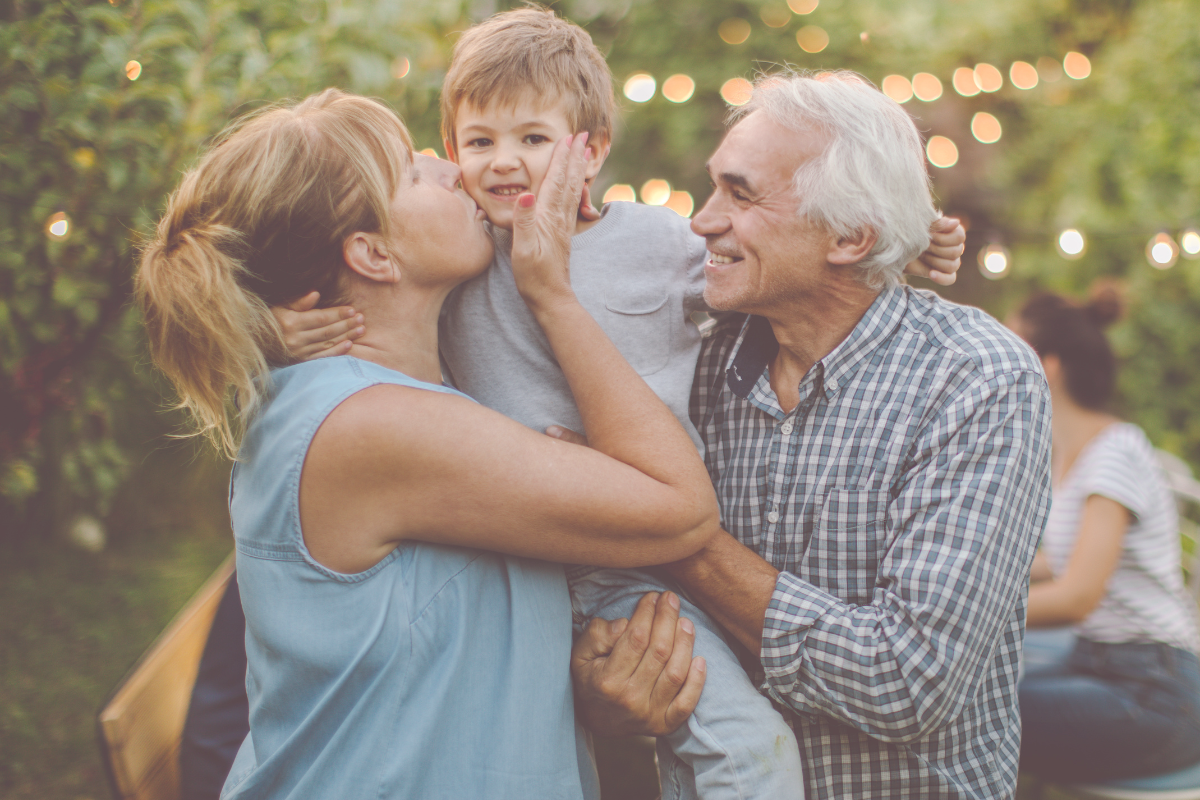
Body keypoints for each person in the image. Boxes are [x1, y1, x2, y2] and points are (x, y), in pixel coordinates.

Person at [271, 9, 966, 800]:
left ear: (591, 149)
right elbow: (343, 288)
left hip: (633, 567)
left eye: (533, 140)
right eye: (478, 142)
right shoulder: (461, 255)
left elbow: (783, 266)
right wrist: (275, 324)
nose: (504, 164)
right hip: (517, 555)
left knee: (751, 748)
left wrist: (908, 243)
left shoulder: (655, 246)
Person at [137, 88, 724, 799]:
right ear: (373, 254)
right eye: (411, 172)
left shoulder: (356, 397)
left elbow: (430, 654)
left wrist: (587, 690)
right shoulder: (371, 426)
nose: (450, 170)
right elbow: (681, 508)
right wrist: (551, 293)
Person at [569, 71, 1053, 800]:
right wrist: (602, 687)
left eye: (740, 194)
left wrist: (658, 519)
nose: (702, 221)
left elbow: (905, 680)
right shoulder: (690, 363)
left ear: (852, 236)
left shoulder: (976, 379)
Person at [1010, 288, 1200, 782]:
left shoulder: (1115, 452)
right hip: (1098, 664)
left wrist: (959, 613)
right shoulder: (1071, 454)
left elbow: (1077, 596)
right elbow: (1055, 562)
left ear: (1045, 366)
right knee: (972, 690)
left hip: (1154, 690)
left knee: (964, 712)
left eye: (1008, 347)